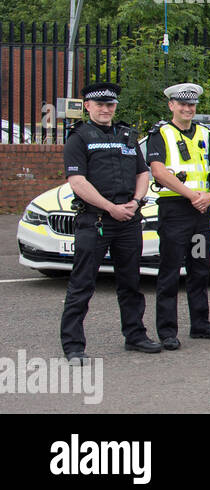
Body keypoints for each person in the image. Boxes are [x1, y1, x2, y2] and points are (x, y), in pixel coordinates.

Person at [59, 82, 160, 361]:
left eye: (110, 105)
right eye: (100, 105)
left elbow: (143, 173)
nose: (106, 109)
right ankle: (73, 346)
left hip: (128, 220)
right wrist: (109, 207)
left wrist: (136, 202)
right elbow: (77, 181)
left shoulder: (127, 134)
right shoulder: (78, 137)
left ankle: (135, 335)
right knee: (82, 285)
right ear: (88, 106)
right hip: (96, 220)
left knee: (130, 283)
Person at [146, 83, 210, 349]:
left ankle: (200, 324)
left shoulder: (204, 133)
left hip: (201, 213)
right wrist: (193, 196)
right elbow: (159, 172)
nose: (187, 109)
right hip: (175, 211)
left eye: (191, 105)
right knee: (170, 271)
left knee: (199, 268)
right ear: (171, 105)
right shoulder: (161, 133)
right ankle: (168, 331)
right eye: (182, 104)